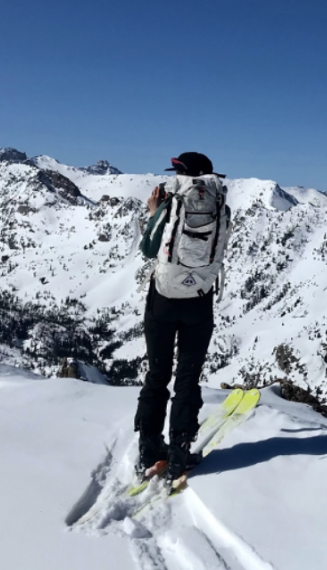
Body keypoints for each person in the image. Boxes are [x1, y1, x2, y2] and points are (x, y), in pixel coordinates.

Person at [133, 151, 230, 480]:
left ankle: (148, 449)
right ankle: (179, 452)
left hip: (163, 300)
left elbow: (148, 249)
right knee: (188, 379)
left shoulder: (171, 205)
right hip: (200, 301)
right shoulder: (221, 206)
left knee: (157, 376)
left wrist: (154, 212)